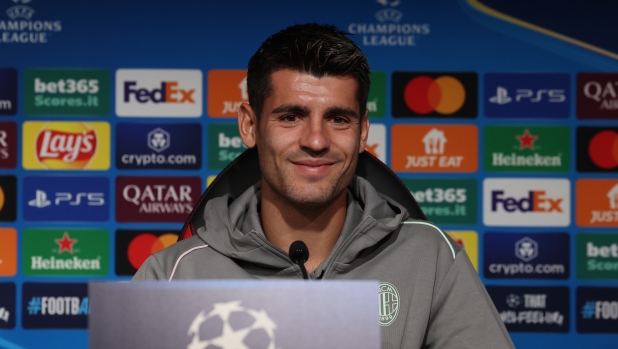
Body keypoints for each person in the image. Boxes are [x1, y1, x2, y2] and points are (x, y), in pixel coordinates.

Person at [133, 23, 515, 349]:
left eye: (338, 118)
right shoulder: (172, 276)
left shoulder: (432, 260)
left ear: (363, 131)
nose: (316, 140)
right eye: (291, 116)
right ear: (250, 125)